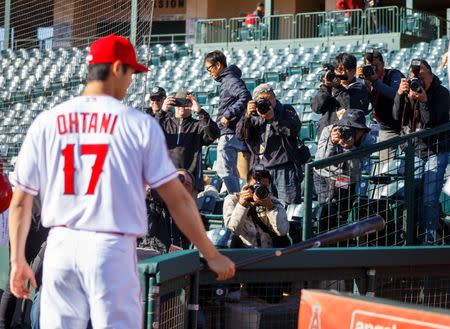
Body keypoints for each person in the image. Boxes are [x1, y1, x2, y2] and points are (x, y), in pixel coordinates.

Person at [8, 34, 235, 329]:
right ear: (116, 68)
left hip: (60, 246)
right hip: (109, 247)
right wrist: (211, 253)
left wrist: (16, 260)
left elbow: (20, 202)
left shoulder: (48, 120)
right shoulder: (138, 124)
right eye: (130, 72)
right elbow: (178, 199)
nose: (131, 81)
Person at [393, 59, 450, 245]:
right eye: (414, 76)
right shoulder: (409, 90)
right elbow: (396, 117)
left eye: (421, 75)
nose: (417, 79)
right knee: (410, 195)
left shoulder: (442, 93)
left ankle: (430, 239)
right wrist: (400, 96)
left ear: (430, 74)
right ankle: (409, 237)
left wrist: (424, 101)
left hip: (436, 150)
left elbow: (431, 123)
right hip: (415, 150)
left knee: (429, 198)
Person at [236, 83, 302, 204]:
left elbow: (293, 131)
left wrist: (273, 119)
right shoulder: (253, 116)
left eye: (269, 98)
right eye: (262, 100)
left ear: (274, 96)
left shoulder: (286, 110)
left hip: (285, 168)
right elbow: (240, 135)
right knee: (264, 207)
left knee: (289, 206)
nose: (267, 103)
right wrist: (247, 116)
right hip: (261, 171)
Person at [313, 109, 376, 232]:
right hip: (324, 175)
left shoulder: (368, 140)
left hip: (346, 178)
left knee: (342, 213)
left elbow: (356, 170)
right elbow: (320, 162)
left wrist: (349, 149)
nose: (348, 131)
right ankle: (323, 244)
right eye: (347, 127)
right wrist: (332, 142)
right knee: (326, 212)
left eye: (354, 129)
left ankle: (339, 244)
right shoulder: (330, 131)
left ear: (362, 130)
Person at [204, 50, 251, 194]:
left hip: (229, 132)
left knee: (224, 170)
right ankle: (237, 198)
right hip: (229, 131)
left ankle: (236, 198)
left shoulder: (230, 79)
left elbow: (245, 96)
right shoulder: (228, 79)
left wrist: (228, 114)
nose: (209, 72)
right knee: (230, 170)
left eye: (209, 68)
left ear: (218, 65)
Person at [155, 90, 220, 193]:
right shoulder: (165, 123)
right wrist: (162, 112)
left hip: (190, 181)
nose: (182, 106)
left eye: (186, 103)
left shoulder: (197, 125)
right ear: (174, 103)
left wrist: (200, 112)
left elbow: (214, 134)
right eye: (179, 102)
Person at [223, 167, 289, 248]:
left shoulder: (273, 202)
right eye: (256, 187)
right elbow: (233, 231)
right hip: (243, 252)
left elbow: (282, 231)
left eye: (263, 188)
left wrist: (270, 207)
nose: (259, 191)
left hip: (268, 253)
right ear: (247, 185)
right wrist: (242, 205)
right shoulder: (233, 200)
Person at [312, 53, 371, 140]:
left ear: (354, 70)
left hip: (348, 138)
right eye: (339, 69)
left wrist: (338, 88)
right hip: (328, 137)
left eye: (346, 70)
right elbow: (316, 108)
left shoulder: (360, 88)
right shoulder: (329, 86)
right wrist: (326, 87)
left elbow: (348, 109)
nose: (342, 73)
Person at [357, 49, 402, 162]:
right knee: (382, 165)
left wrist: (375, 81)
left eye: (376, 65)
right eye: (370, 66)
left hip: (398, 126)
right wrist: (358, 81)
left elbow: (394, 94)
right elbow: (363, 105)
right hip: (382, 126)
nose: (373, 69)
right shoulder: (365, 80)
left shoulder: (393, 74)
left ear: (383, 64)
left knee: (394, 166)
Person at [139, 169, 195, 254]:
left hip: (176, 260)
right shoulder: (153, 203)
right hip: (153, 258)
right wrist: (150, 195)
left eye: (187, 185)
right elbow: (148, 230)